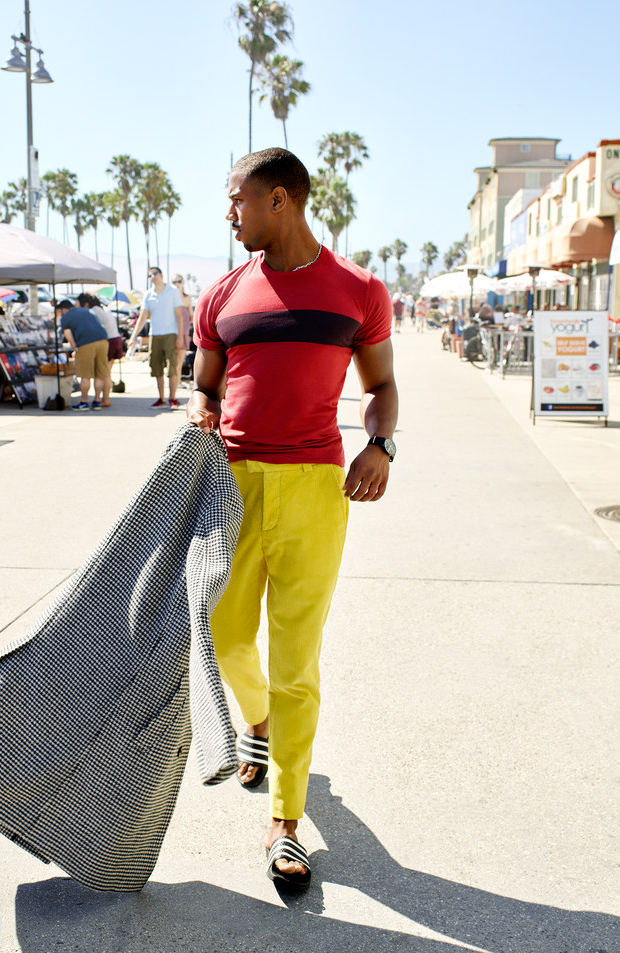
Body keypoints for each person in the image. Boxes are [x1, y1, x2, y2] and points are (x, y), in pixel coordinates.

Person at [187, 147, 398, 890]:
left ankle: (286, 820)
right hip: (232, 483)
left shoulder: (358, 290)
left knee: (296, 660)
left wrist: (378, 443)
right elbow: (205, 384)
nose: (229, 212)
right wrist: (200, 405)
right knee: (221, 633)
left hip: (314, 487)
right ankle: (261, 724)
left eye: (238, 199)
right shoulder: (222, 295)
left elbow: (382, 384)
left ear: (282, 199)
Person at [127, 267, 184, 409]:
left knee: (172, 367)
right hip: (155, 334)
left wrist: (181, 336)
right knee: (156, 367)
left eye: (155, 274)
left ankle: (172, 398)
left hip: (171, 333)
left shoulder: (172, 291)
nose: (153, 277)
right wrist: (133, 337)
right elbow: (142, 317)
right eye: (150, 275)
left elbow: (179, 315)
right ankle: (161, 398)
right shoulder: (148, 294)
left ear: (161, 275)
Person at [56, 299, 108, 411]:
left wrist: (75, 348)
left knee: (85, 374)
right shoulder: (85, 311)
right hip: (103, 340)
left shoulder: (65, 317)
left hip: (85, 342)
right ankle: (97, 401)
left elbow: (68, 334)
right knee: (100, 373)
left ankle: (84, 402)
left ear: (63, 309)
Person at [77, 293, 122, 407]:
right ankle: (105, 399)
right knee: (106, 373)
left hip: (108, 340)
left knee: (104, 373)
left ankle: (105, 399)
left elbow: (101, 327)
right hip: (115, 339)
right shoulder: (102, 308)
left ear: (85, 304)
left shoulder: (94, 311)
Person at [171, 274, 194, 381]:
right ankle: (171, 382)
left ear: (183, 283)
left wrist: (189, 332)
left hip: (184, 333)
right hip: (171, 333)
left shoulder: (187, 298)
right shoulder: (169, 299)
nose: (177, 284)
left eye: (179, 281)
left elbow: (191, 317)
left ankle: (177, 381)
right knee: (171, 362)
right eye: (174, 282)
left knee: (180, 362)